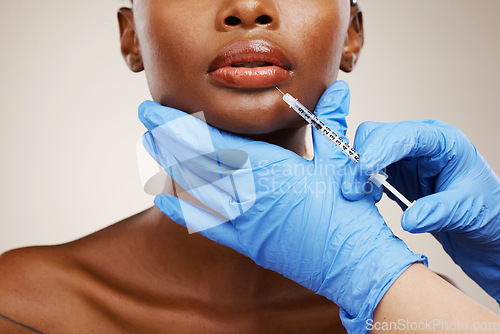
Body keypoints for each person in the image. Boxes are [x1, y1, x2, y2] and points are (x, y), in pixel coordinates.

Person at [0, 1, 498, 334]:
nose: (248, 7)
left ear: (351, 33)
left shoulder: (415, 311)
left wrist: (381, 281)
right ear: (132, 37)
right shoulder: (23, 305)